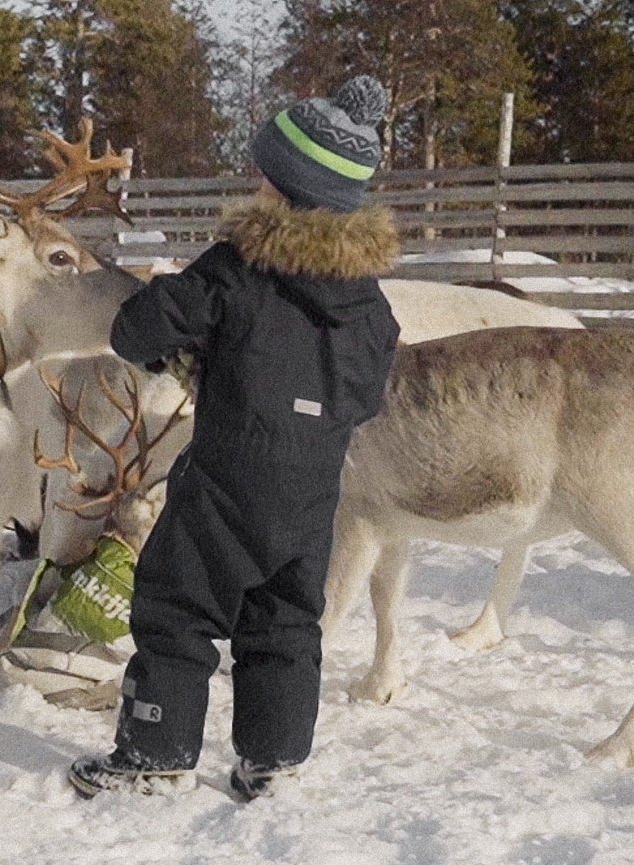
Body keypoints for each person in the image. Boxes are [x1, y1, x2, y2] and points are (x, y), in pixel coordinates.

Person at [68, 74, 401, 800]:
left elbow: (137, 330)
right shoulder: (371, 303)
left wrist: (174, 319)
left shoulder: (237, 269)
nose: (255, 181)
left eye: (266, 173)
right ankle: (273, 759)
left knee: (177, 604)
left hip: (229, 474)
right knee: (285, 618)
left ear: (284, 187)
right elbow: (369, 393)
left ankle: (155, 750)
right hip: (314, 488)